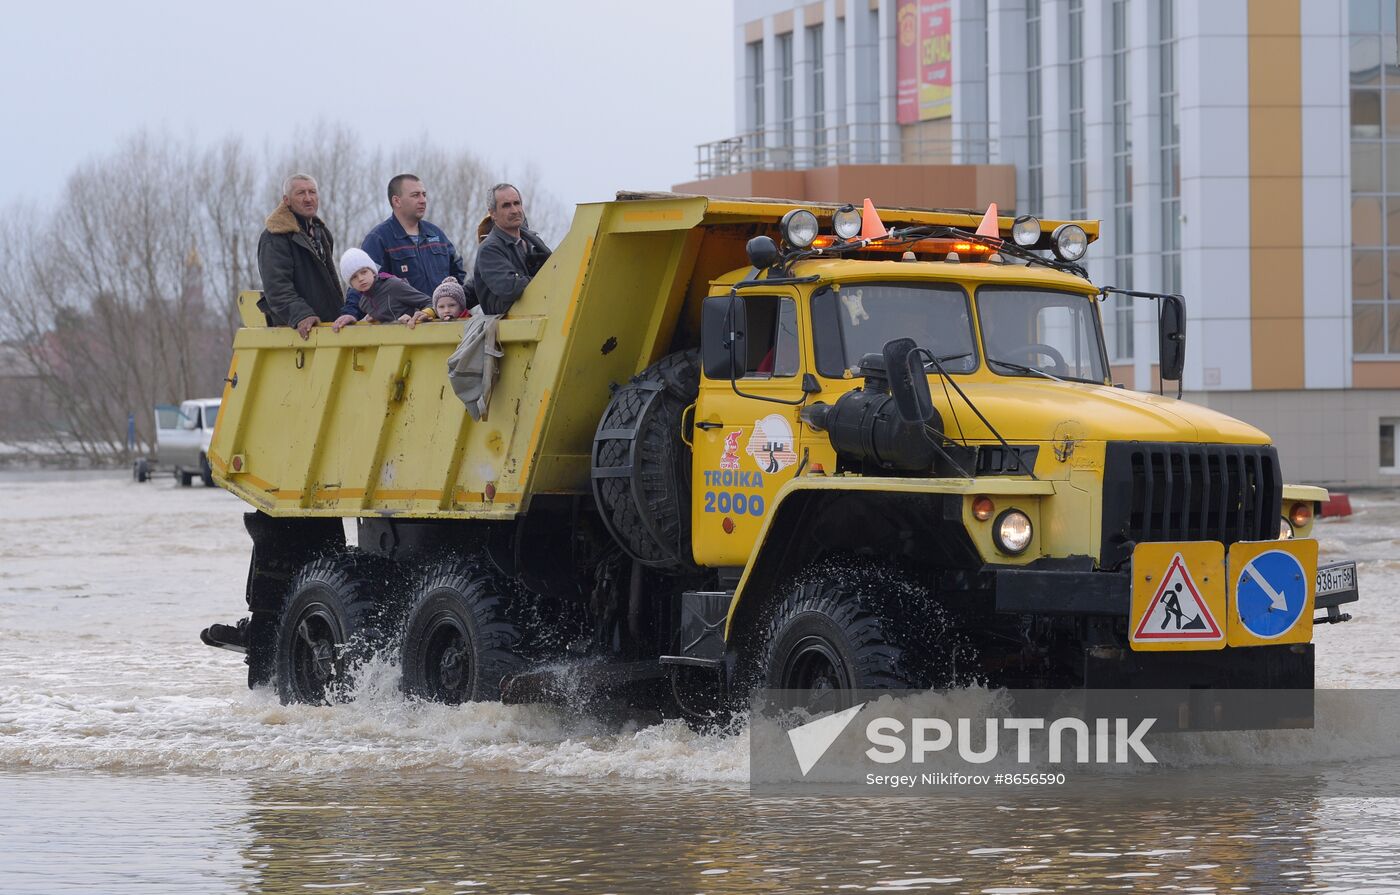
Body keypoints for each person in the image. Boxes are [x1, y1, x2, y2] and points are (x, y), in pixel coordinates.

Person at [334, 174, 471, 329]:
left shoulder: (436, 234)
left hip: (445, 326)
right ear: (396, 201)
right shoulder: (379, 239)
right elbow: (361, 281)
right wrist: (351, 313)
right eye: (415, 195)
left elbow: (457, 273)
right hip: (405, 332)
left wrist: (453, 305)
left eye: (424, 195)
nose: (422, 200)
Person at [257, 174, 343, 339]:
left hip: (327, 328)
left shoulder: (322, 233)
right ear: (286, 200)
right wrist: (301, 315)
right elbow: (277, 288)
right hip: (297, 333)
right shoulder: (275, 237)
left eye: (312, 192)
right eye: (301, 193)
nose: (308, 198)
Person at [472, 183, 552, 315]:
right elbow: (510, 288)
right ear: (493, 214)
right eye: (506, 205)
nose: (514, 210)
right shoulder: (489, 249)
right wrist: (546, 280)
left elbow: (555, 270)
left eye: (517, 203)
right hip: (509, 328)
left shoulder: (533, 241)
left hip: (538, 317)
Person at [338, 249, 430, 324]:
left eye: (364, 272)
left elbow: (429, 302)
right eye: (354, 277)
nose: (361, 278)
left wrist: (419, 316)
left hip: (415, 338)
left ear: (373, 272)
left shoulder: (393, 285)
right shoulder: (363, 303)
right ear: (351, 284)